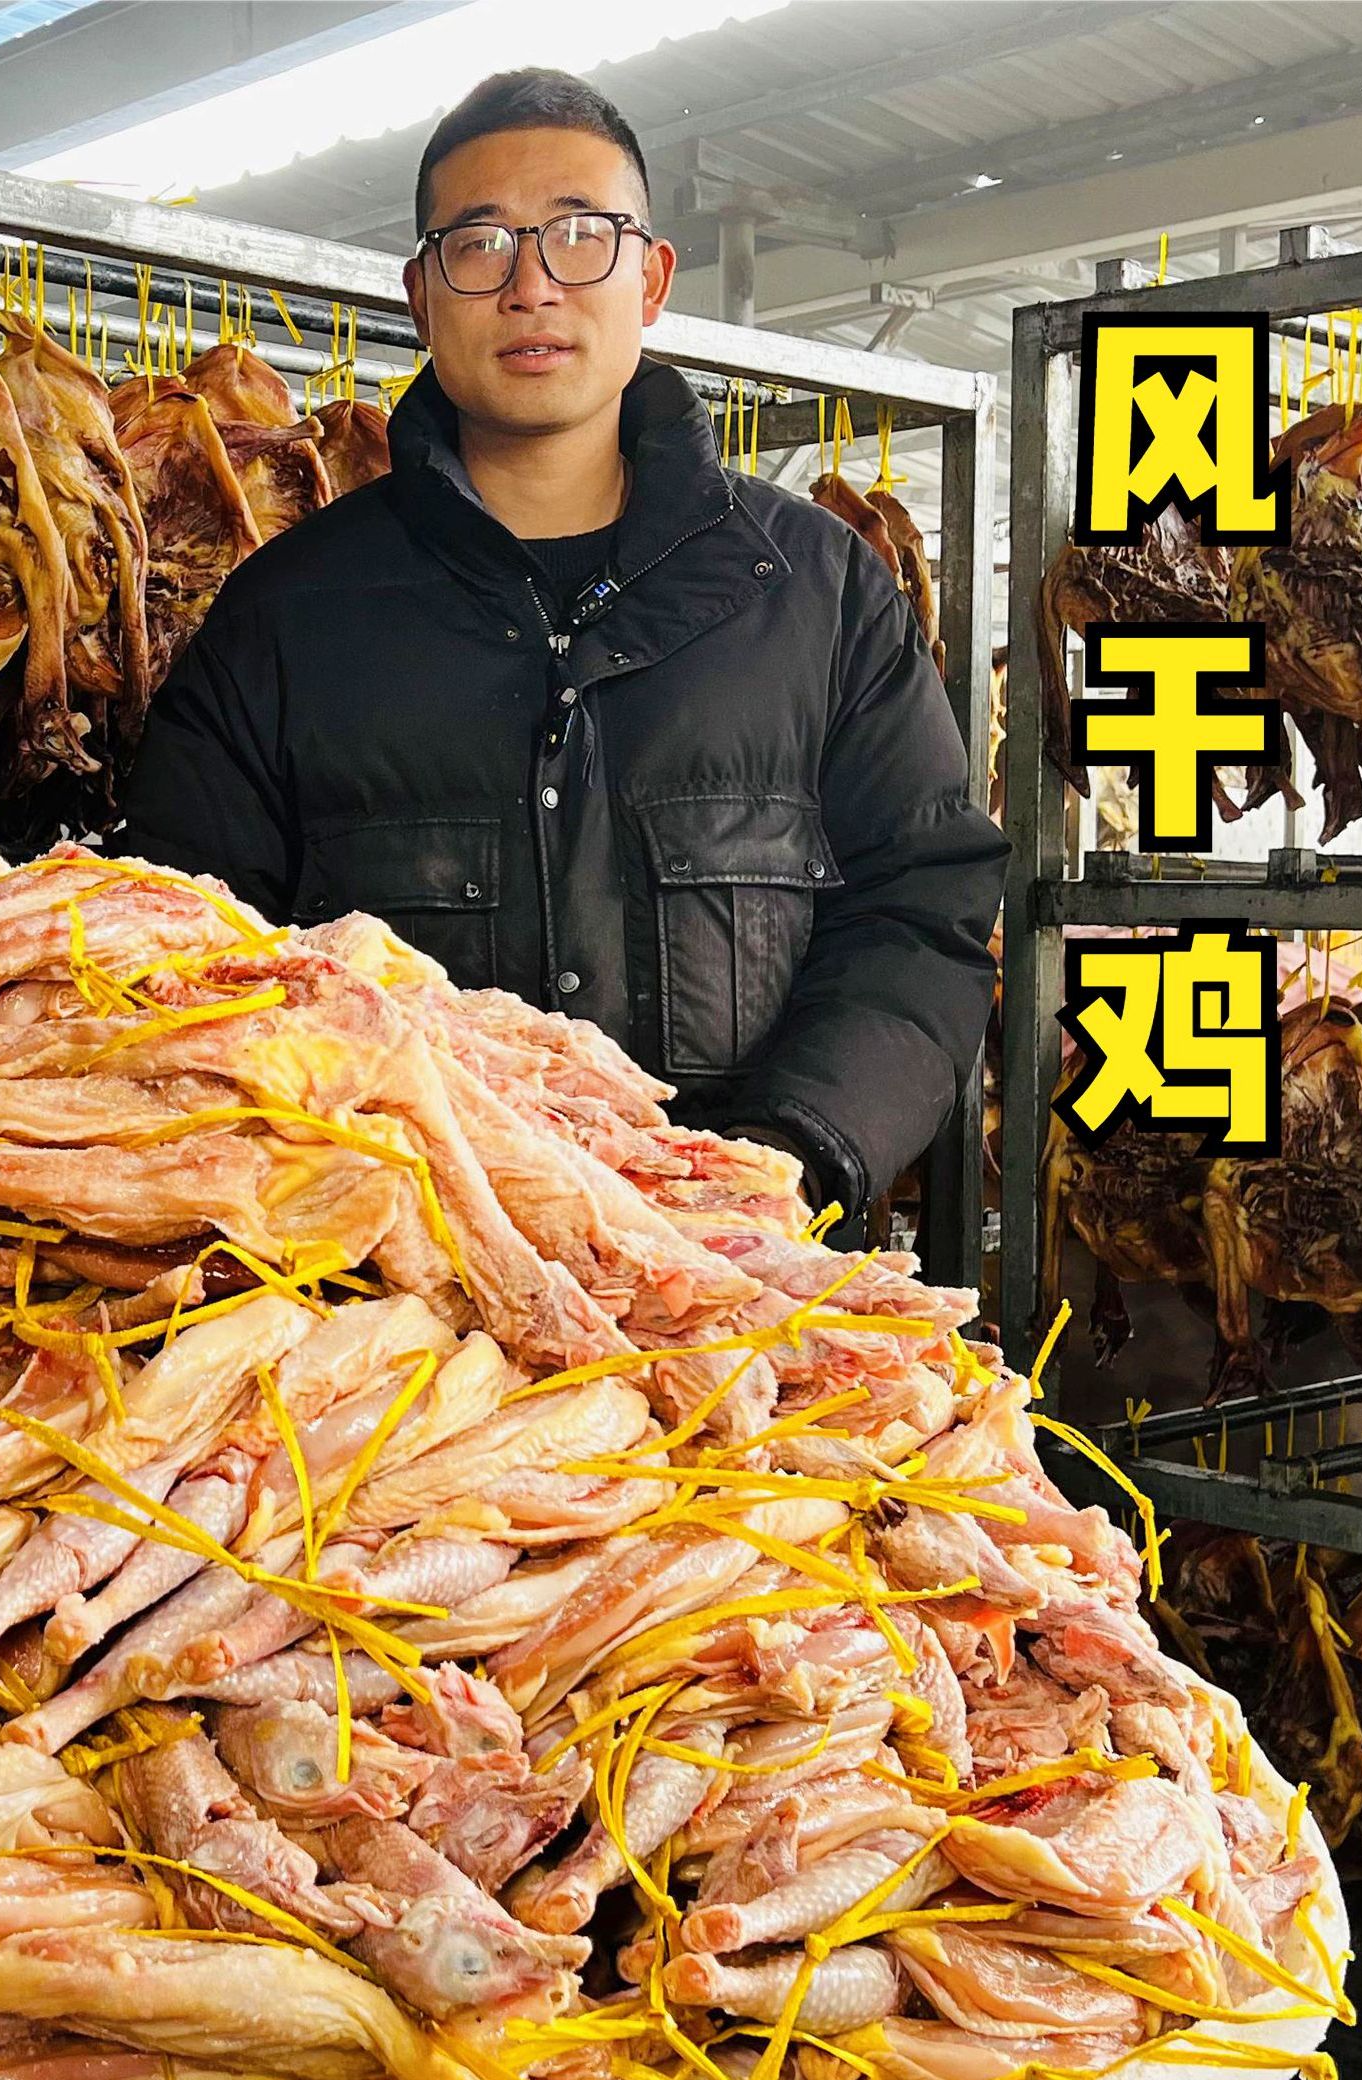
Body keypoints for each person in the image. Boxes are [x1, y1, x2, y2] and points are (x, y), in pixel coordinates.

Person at [124, 67, 1007, 1225]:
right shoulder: (284, 617)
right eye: (480, 242)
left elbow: (918, 913)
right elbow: (187, 956)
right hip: (392, 1308)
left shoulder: (818, 593)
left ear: (649, 278)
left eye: (580, 236)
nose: (532, 283)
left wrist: (781, 1159)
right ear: (419, 292)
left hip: (756, 1288)